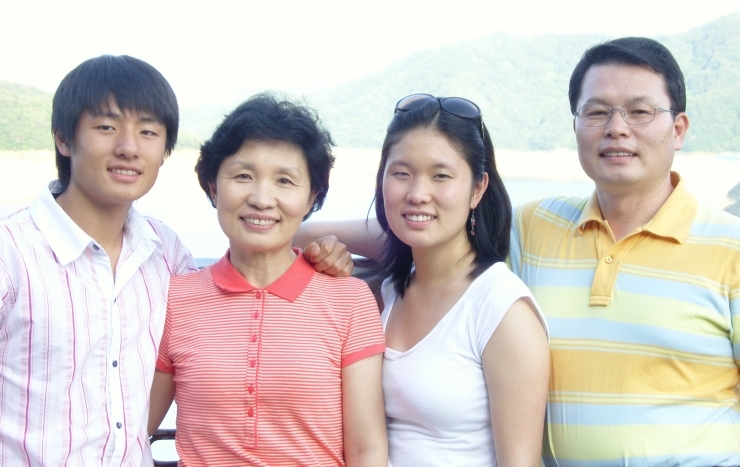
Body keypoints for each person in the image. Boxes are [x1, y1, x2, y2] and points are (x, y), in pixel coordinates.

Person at [296, 37, 740, 466]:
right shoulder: (537, 228)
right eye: (597, 111)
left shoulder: (731, 248)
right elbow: (429, 229)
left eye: (640, 111)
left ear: (678, 129)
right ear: (576, 125)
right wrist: (302, 237)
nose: (616, 127)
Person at [148, 94, 387, 467]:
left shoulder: (350, 300)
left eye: (284, 181)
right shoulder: (176, 299)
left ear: (311, 196)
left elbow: (367, 451)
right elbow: (134, 427)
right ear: (214, 186)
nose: (261, 199)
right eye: (243, 176)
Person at [0, 55, 198, 466]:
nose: (129, 147)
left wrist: (318, 249)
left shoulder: (167, 251)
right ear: (63, 139)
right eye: (106, 127)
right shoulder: (11, 251)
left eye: (148, 131)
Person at [372, 93, 549, 466]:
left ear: (477, 189)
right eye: (401, 173)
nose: (417, 194)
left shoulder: (500, 309)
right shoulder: (392, 290)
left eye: (440, 176)